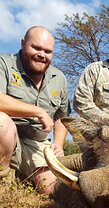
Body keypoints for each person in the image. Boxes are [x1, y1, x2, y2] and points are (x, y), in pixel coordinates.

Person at [0, 26, 70, 194]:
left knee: (53, 190)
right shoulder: (4, 64)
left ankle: (22, 176)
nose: (42, 54)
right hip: (8, 137)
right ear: (23, 44)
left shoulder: (59, 78)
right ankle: (3, 182)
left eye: (47, 51)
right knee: (1, 122)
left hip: (37, 143)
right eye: (36, 48)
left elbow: (62, 117)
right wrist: (38, 111)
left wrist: (58, 145)